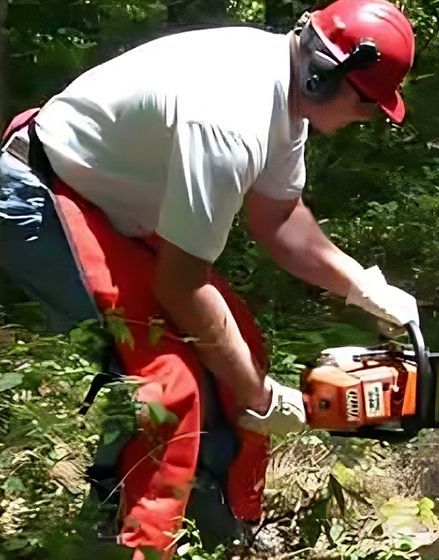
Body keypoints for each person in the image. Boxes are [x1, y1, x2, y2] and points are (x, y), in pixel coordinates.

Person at [0, 0, 418, 555]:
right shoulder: (231, 118)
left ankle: (216, 531)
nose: (368, 118)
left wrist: (362, 287)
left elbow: (279, 218)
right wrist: (261, 399)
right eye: (367, 103)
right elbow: (181, 286)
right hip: (41, 192)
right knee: (167, 383)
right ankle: (123, 541)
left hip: (110, 202)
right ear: (324, 75)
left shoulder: (284, 96)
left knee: (235, 342)